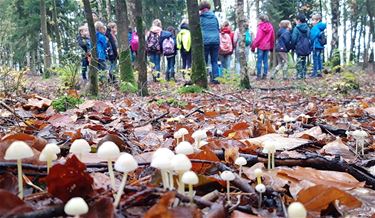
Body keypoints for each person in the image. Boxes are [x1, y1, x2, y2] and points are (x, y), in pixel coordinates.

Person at [199, 1, 220, 84]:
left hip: (205, 41)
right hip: (215, 41)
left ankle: (204, 77)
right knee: (214, 61)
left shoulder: (201, 18)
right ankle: (215, 78)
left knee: (204, 61)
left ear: (201, 9)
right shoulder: (214, 17)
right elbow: (218, 28)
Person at [251, 14, 275, 80]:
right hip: (267, 46)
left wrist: (253, 46)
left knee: (259, 61)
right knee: (265, 61)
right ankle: (265, 75)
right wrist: (271, 47)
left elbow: (258, 38)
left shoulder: (260, 27)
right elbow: (272, 38)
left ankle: (258, 75)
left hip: (260, 46)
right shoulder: (270, 26)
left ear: (261, 20)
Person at [292, 14, 311, 79]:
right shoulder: (307, 28)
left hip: (299, 46)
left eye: (296, 20)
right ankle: (304, 74)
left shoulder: (296, 28)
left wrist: (293, 46)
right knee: (304, 60)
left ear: (299, 21)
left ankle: (299, 74)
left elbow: (294, 38)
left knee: (299, 60)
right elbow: (309, 36)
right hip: (306, 46)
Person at [310, 13, 327, 78]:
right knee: (319, 58)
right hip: (320, 46)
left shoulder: (315, 28)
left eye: (313, 20)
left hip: (315, 45)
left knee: (315, 59)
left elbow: (312, 37)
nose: (312, 22)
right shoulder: (320, 28)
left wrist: (310, 43)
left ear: (318, 20)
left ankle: (315, 73)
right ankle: (319, 71)